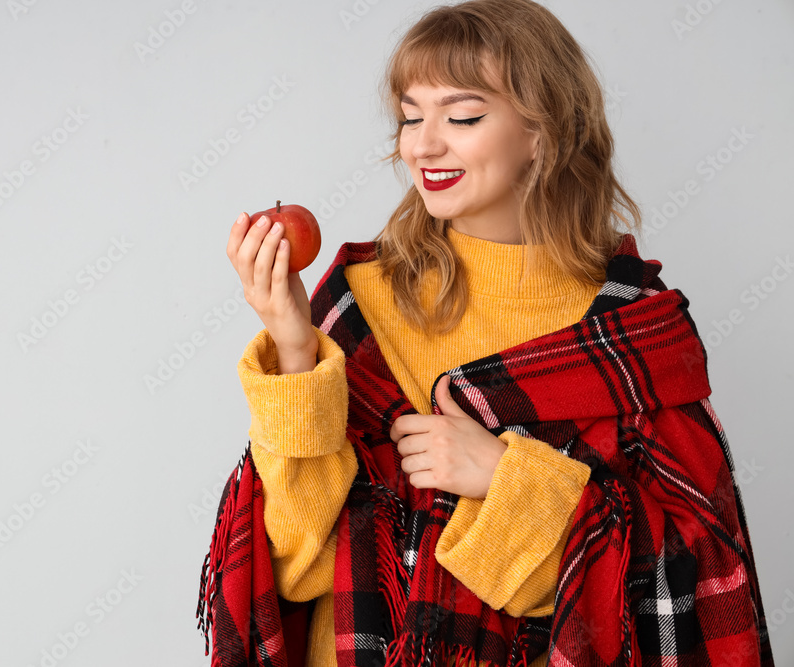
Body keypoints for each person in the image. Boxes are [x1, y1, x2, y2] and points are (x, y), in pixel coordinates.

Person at [201, 1, 774, 665]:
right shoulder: (357, 306)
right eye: (411, 115)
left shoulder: (634, 327)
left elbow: (676, 580)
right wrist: (296, 351)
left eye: (462, 116)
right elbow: (291, 569)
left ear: (544, 130)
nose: (423, 143)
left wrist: (505, 479)